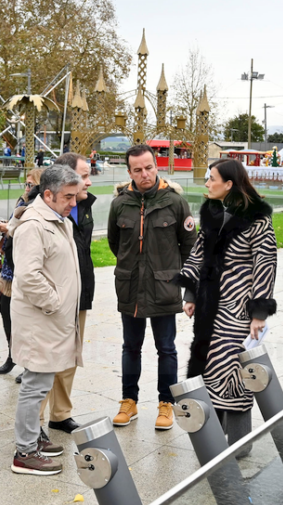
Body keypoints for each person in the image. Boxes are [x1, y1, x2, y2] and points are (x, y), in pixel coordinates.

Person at [176, 159, 277, 456]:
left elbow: (265, 263)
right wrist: (191, 293)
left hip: (237, 308)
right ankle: (214, 438)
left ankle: (240, 443)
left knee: (233, 372)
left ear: (229, 184)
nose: (207, 183)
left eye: (212, 179)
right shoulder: (211, 214)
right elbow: (197, 255)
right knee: (208, 368)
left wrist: (259, 312)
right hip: (210, 307)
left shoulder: (257, 219)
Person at [108, 144, 197, 430]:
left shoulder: (175, 202)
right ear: (129, 171)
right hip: (130, 287)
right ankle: (128, 402)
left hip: (164, 288)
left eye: (149, 167)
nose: (144, 174)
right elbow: (115, 244)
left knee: (166, 348)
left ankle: (166, 404)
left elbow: (190, 249)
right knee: (130, 347)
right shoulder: (120, 203)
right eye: (138, 170)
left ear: (156, 166)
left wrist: (189, 291)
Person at [9, 165, 83, 475]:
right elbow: (28, 276)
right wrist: (55, 304)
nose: (74, 203)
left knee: (40, 383)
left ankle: (34, 440)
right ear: (48, 194)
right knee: (35, 385)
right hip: (42, 320)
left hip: (51, 321)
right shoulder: (34, 225)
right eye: (68, 196)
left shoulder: (56, 219)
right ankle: (24, 452)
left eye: (76, 196)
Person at [36, 152, 95, 434]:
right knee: (45, 362)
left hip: (78, 295)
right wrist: (53, 300)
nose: (89, 182)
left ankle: (60, 414)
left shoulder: (83, 206)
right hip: (52, 302)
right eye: (84, 176)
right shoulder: (39, 210)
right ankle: (34, 423)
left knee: (70, 356)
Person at [0, 168, 43, 382]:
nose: (26, 188)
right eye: (26, 183)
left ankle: (28, 363)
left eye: (31, 184)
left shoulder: (37, 206)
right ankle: (12, 354)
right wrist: (5, 229)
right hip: (10, 268)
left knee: (26, 318)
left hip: (26, 269)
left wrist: (9, 228)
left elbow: (26, 231)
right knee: (5, 310)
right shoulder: (21, 202)